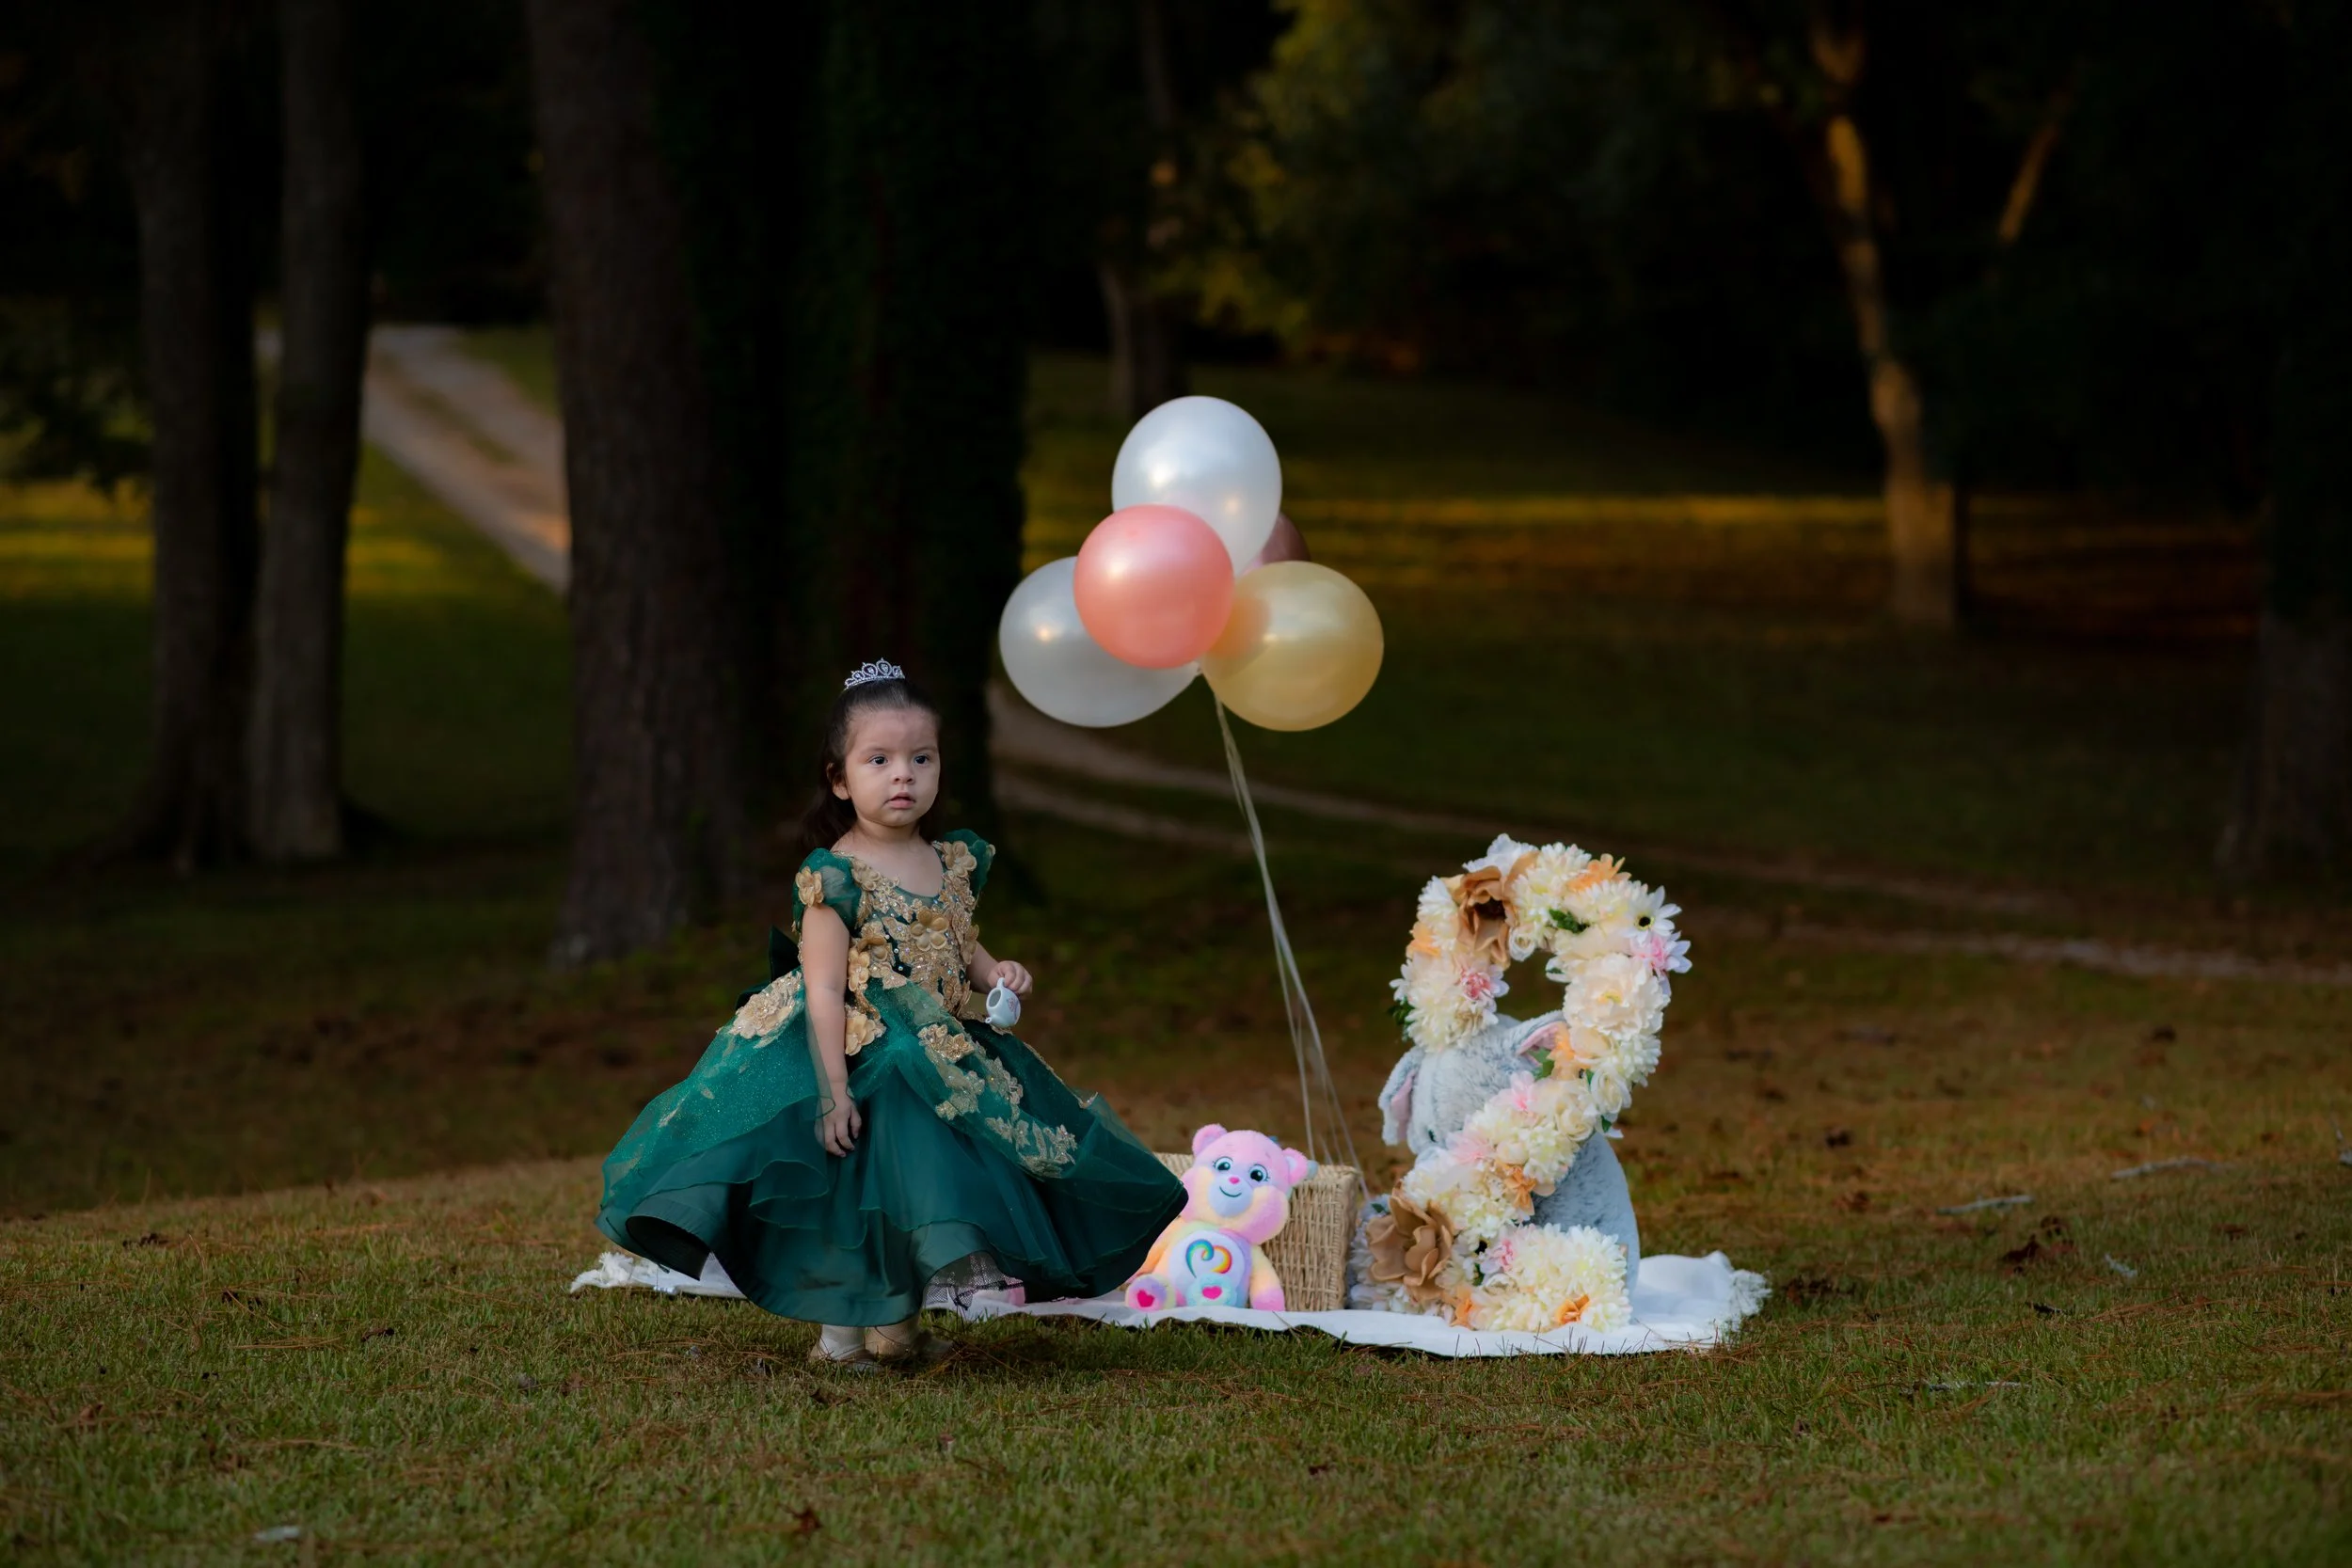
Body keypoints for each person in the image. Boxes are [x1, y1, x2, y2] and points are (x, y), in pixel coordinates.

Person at [595, 660, 1185, 1366]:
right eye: (879, 759)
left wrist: (997, 971)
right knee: (853, 1198)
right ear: (841, 779)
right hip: (861, 1056)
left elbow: (956, 940)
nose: (902, 774)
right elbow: (818, 987)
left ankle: (897, 1327)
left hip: (934, 1054)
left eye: (920, 758)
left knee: (915, 1196)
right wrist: (832, 1089)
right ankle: (841, 1338)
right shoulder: (836, 875)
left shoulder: (951, 859)